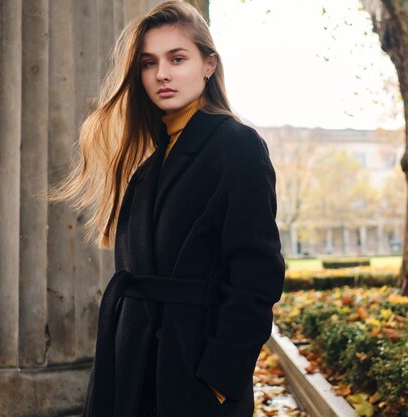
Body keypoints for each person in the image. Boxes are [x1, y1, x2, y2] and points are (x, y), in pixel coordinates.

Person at [47, 1, 285, 416]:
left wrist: (218, 378)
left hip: (190, 372)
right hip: (133, 364)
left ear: (208, 65)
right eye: (148, 63)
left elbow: (257, 278)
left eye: (177, 58)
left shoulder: (237, 146)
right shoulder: (151, 158)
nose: (162, 74)